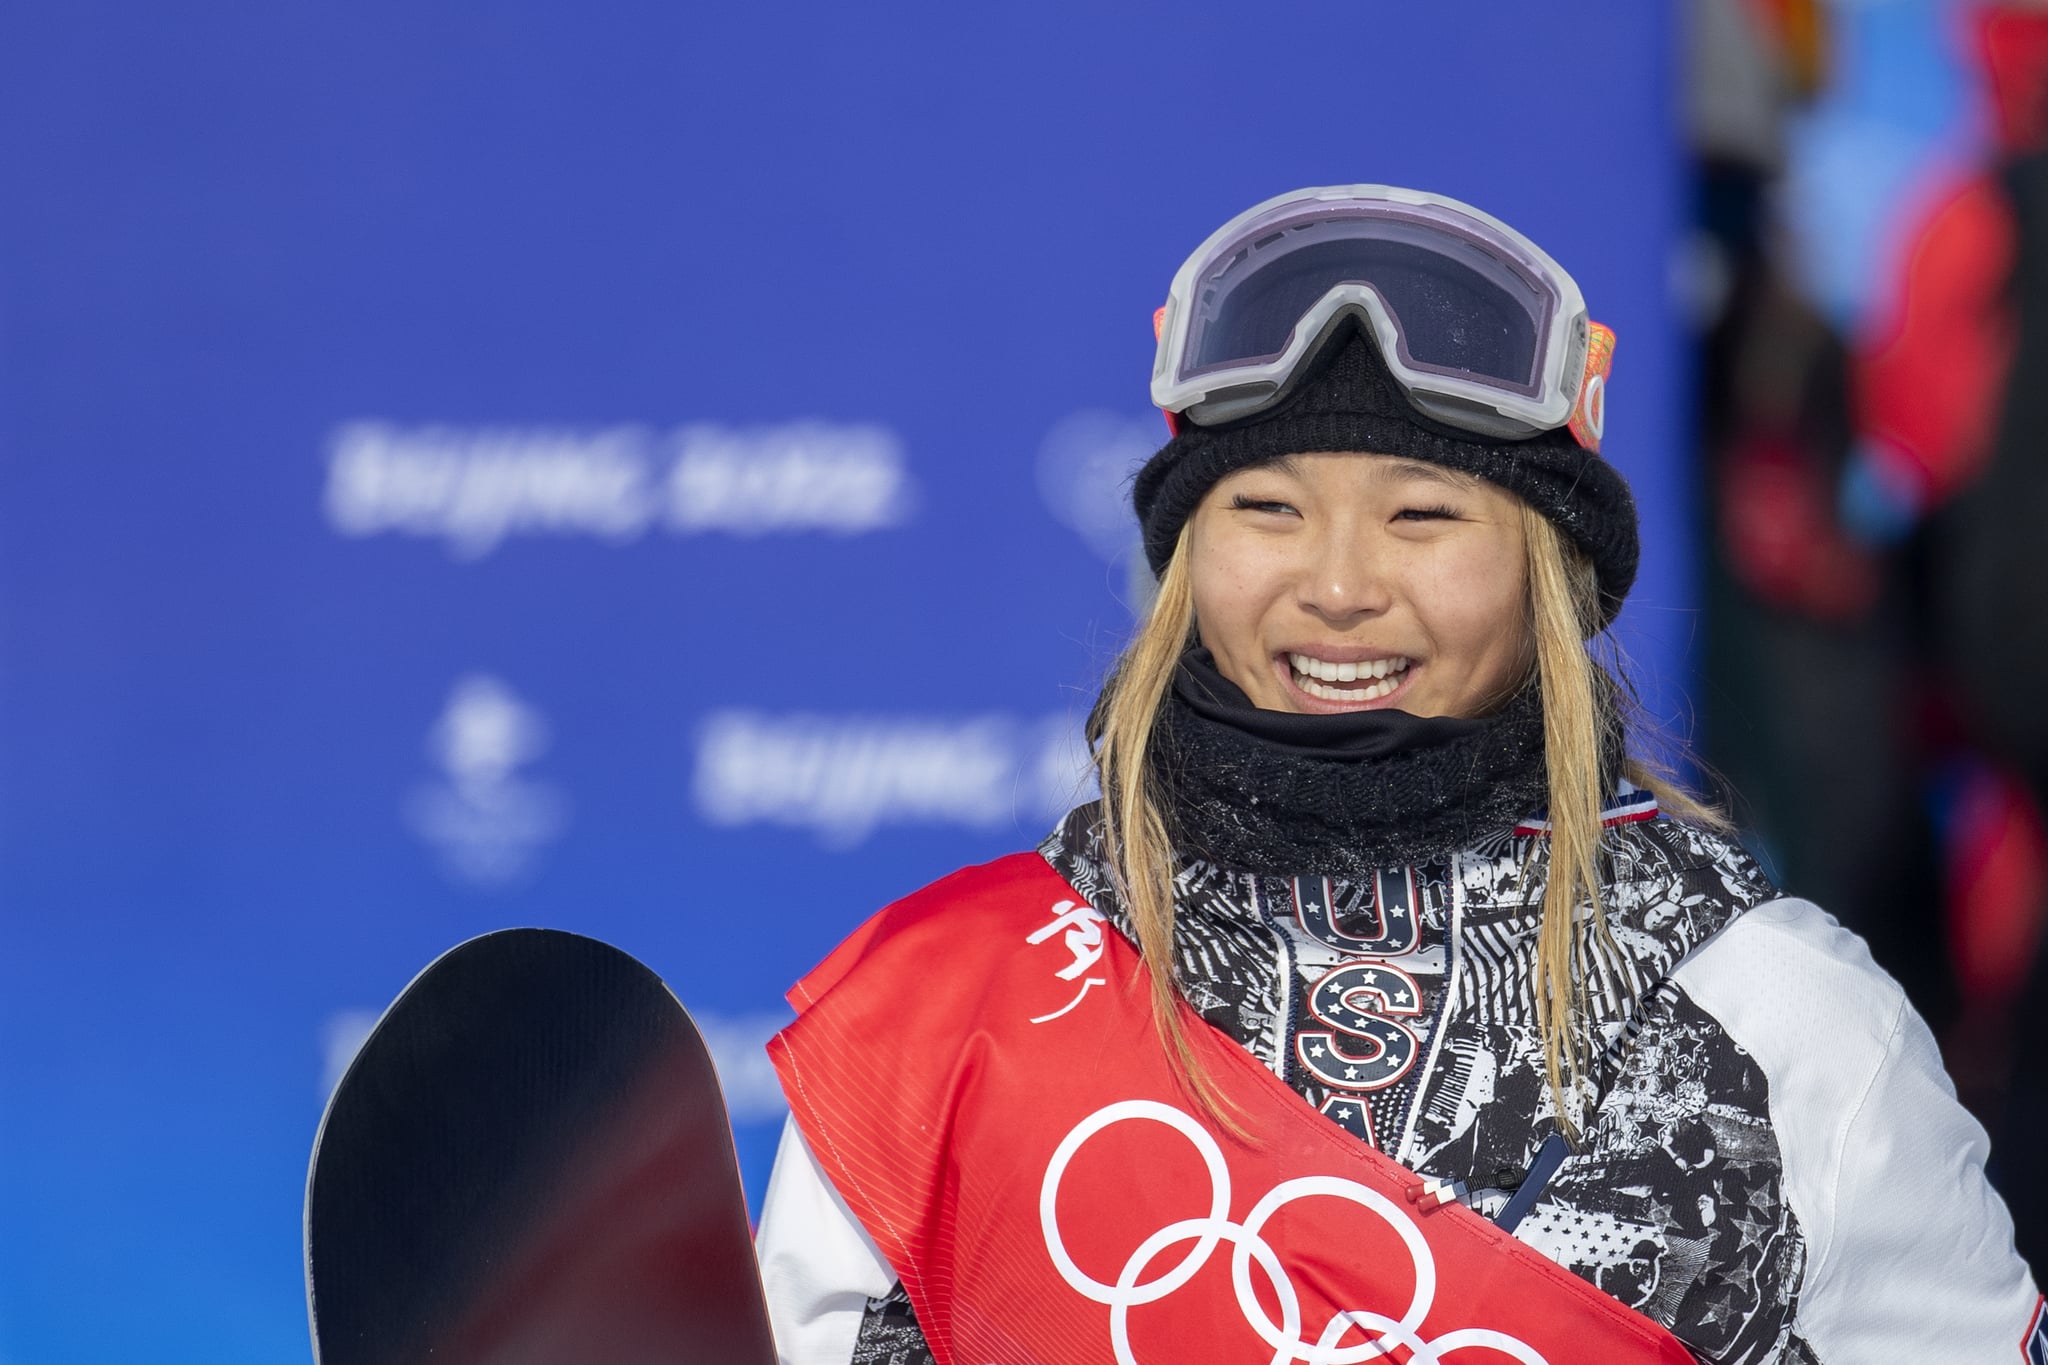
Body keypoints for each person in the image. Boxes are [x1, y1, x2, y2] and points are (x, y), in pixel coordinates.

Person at [753, 185, 2042, 1365]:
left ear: (1551, 572)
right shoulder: (956, 1009)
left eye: (1423, 515)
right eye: (1266, 508)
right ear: (1184, 553)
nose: (1339, 586)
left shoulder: (1782, 1018)